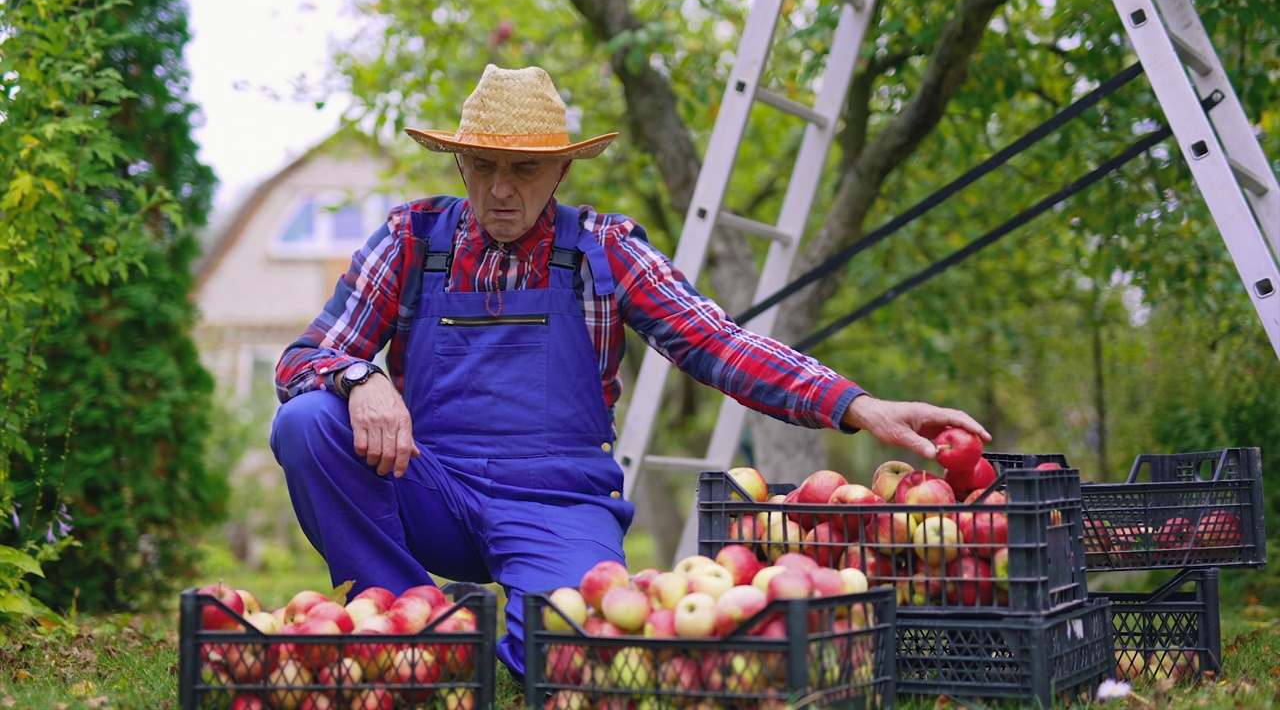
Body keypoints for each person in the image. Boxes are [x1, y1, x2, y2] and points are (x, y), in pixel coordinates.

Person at [270, 64, 989, 679]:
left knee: (564, 653)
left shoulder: (604, 251)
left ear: (563, 168)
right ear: (460, 164)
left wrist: (858, 405)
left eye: (523, 169)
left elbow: (719, 344)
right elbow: (304, 361)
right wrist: (360, 380)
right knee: (308, 420)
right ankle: (410, 630)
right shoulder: (410, 239)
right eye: (483, 166)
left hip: (553, 504)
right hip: (431, 485)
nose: (500, 190)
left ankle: (493, 640)